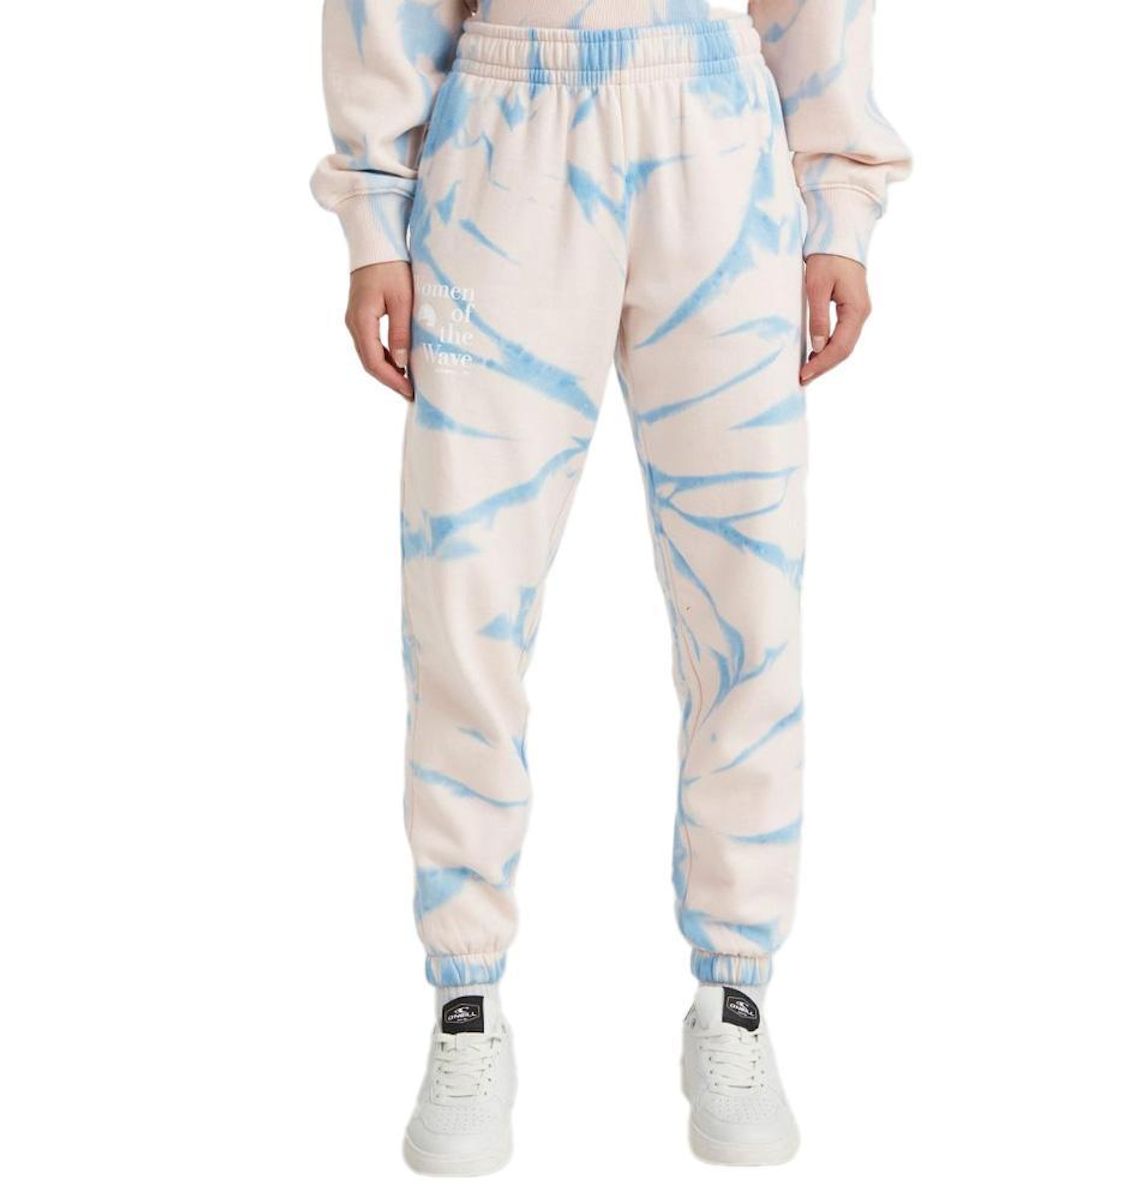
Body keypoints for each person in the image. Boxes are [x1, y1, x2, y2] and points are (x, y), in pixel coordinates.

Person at [313, 0, 909, 1174]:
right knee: (465, 597)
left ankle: (735, 991)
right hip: (505, 140)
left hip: (719, 132)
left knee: (747, 599)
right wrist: (375, 218)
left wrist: (840, 200)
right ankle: (467, 997)